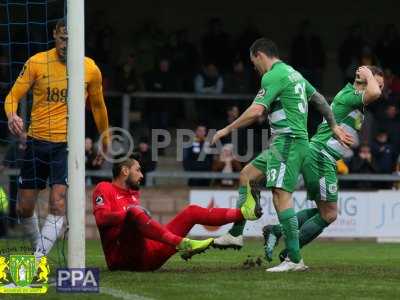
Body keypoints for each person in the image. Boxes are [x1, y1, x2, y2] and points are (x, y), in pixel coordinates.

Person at [211, 38, 352, 272]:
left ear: (259, 55)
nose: (254, 67)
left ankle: (295, 259)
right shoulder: (294, 73)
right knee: (247, 175)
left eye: (252, 62)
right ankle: (236, 234)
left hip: (289, 141)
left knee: (280, 195)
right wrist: (334, 125)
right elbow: (318, 99)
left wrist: (227, 129)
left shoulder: (272, 75)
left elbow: (257, 110)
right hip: (286, 143)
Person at [3, 19, 110, 259]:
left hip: (66, 146)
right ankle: (38, 250)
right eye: (62, 38)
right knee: (24, 207)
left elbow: (98, 107)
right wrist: (11, 115)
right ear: (55, 35)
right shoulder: (37, 62)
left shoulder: (89, 68)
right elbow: (12, 96)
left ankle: (37, 260)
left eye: (70, 40)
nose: (65, 44)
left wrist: (105, 141)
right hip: (36, 141)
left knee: (58, 202)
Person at [263, 66, 384, 263]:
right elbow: (375, 93)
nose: (378, 89)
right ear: (363, 80)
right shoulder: (351, 95)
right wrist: (369, 75)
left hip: (321, 156)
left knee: (324, 211)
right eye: (376, 83)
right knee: (329, 214)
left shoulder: (352, 98)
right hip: (321, 156)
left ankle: (276, 231)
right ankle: (290, 254)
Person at [92, 153, 262, 271]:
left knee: (192, 211)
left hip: (148, 257)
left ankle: (246, 213)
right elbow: (101, 219)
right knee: (134, 212)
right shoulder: (104, 188)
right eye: (138, 170)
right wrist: (130, 213)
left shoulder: (133, 193)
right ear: (125, 171)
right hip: (122, 260)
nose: (142, 175)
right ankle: (181, 243)